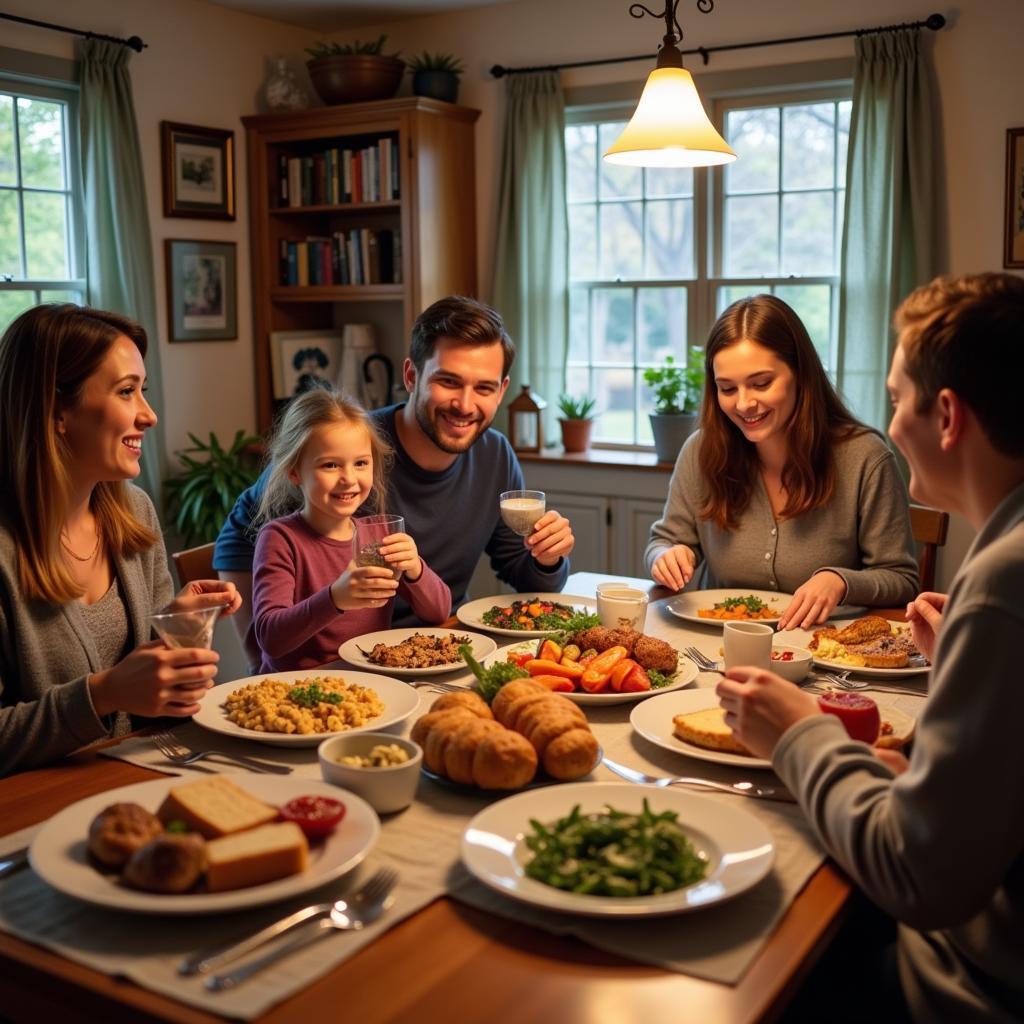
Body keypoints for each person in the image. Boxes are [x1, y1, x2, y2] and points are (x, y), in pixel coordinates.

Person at [718, 273, 1024, 1022]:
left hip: (965, 986)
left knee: (753, 953)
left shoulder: (1003, 581)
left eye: (897, 398)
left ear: (945, 414)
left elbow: (920, 874)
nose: (889, 423)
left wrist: (801, 732)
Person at [215, 296, 576, 665]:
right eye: (448, 381)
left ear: (501, 391)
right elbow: (243, 527)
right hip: (349, 658)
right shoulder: (351, 446)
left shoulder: (495, 455)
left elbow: (523, 574)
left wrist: (548, 558)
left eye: (483, 388)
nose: (465, 405)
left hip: (438, 641)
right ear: (411, 376)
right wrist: (259, 656)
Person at [0, 304, 241, 776]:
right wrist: (102, 693)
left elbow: (149, 711)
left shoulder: (134, 512)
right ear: (56, 411)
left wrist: (177, 632)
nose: (149, 415)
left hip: (138, 779)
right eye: (126, 392)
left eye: (142, 391)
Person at [645, 295, 918, 629]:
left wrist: (841, 581)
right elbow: (664, 541)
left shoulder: (865, 457)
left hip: (826, 652)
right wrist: (666, 557)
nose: (744, 404)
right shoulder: (700, 451)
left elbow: (901, 579)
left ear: (800, 375)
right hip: (716, 649)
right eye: (727, 389)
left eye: (761, 383)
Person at [252, 388, 450, 671]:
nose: (349, 479)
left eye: (360, 463)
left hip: (370, 682)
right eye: (330, 465)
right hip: (295, 691)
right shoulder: (280, 539)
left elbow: (438, 612)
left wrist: (416, 568)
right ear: (295, 472)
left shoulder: (378, 534)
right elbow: (271, 638)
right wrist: (335, 599)